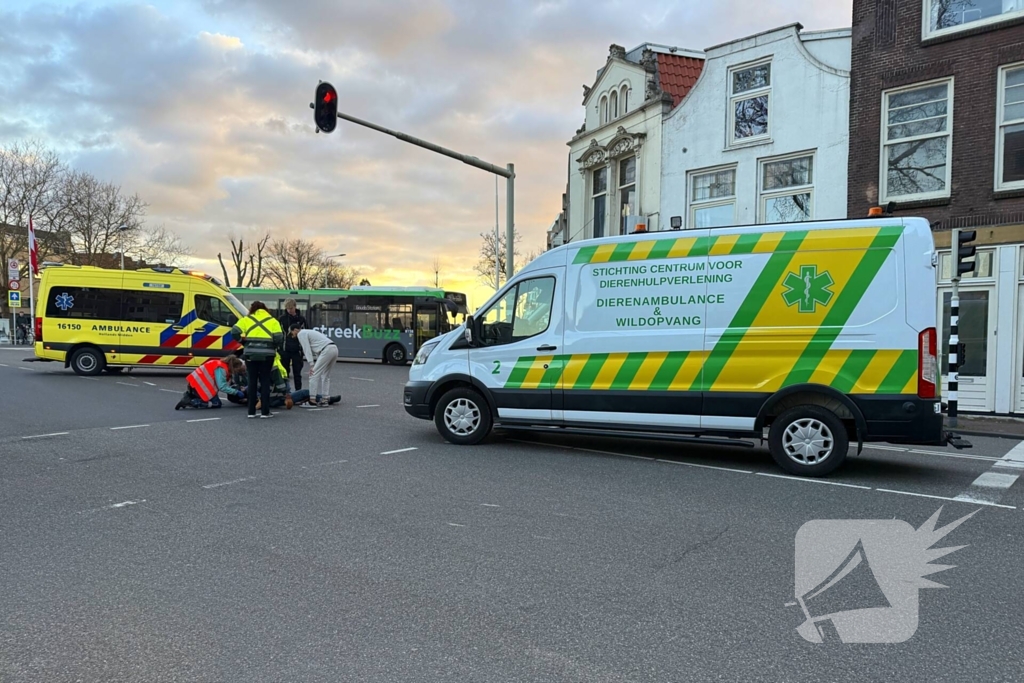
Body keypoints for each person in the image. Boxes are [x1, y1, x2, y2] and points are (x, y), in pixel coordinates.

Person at [231, 301, 284, 418]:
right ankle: (265, 412)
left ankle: (251, 412)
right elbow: (279, 338)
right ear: (265, 309)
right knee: (265, 382)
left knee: (252, 382)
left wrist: (243, 342)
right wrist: (273, 346)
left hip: (250, 355)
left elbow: (234, 331)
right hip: (267, 355)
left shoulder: (246, 320)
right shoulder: (273, 321)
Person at [290, 324, 338, 407]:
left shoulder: (301, 334)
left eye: (291, 333)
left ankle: (312, 400)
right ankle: (325, 399)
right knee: (325, 375)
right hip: (334, 348)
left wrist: (311, 365)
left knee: (313, 375)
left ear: (295, 330)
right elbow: (318, 349)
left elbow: (306, 349)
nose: (292, 335)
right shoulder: (309, 332)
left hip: (326, 350)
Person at [175, 356, 246, 410]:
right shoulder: (221, 369)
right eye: (238, 370)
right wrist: (236, 392)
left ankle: (190, 396)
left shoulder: (219, 363)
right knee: (216, 404)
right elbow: (222, 387)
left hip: (195, 384)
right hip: (200, 387)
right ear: (234, 367)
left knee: (214, 400)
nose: (237, 372)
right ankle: (191, 401)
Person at [278, 298, 307, 391]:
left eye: (291, 308)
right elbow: (277, 333)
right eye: (287, 308)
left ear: (295, 307)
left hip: (297, 350)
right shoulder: (281, 319)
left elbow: (307, 332)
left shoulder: (301, 319)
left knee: (297, 373)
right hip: (284, 350)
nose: (289, 310)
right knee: (285, 373)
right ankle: (286, 392)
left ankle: (298, 392)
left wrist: (304, 349)